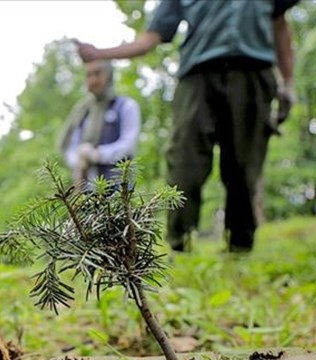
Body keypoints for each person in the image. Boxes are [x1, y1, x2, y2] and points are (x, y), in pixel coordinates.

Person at [77, 0, 299, 252]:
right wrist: (100, 54)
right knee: (185, 163)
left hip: (253, 72)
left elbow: (279, 25)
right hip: (197, 77)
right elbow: (150, 38)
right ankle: (180, 247)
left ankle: (240, 249)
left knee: (245, 166)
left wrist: (288, 82)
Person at [60, 59, 141, 192]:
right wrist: (79, 158)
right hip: (85, 190)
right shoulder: (82, 112)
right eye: (88, 75)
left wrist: (97, 155)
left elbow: (128, 145)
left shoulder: (126, 106)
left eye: (97, 73)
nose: (92, 80)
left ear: (108, 75)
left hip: (118, 190)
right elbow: (70, 148)